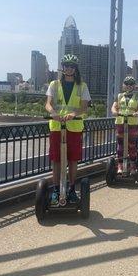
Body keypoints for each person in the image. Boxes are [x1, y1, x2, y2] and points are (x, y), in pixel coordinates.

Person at [45, 54, 91, 204]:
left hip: (74, 127)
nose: (69, 69)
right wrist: (53, 113)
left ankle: (71, 189)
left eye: (72, 66)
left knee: (72, 160)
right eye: (66, 66)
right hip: (57, 126)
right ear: (62, 68)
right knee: (56, 160)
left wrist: (73, 114)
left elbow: (84, 107)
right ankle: (56, 190)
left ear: (75, 69)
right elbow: (48, 104)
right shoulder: (54, 84)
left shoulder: (82, 86)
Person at [111, 76, 138, 174]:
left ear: (134, 86)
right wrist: (114, 112)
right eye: (127, 84)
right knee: (120, 144)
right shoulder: (120, 96)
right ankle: (120, 165)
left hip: (132, 122)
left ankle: (133, 165)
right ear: (123, 85)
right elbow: (114, 107)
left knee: (132, 145)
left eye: (131, 84)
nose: (129, 86)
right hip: (120, 121)